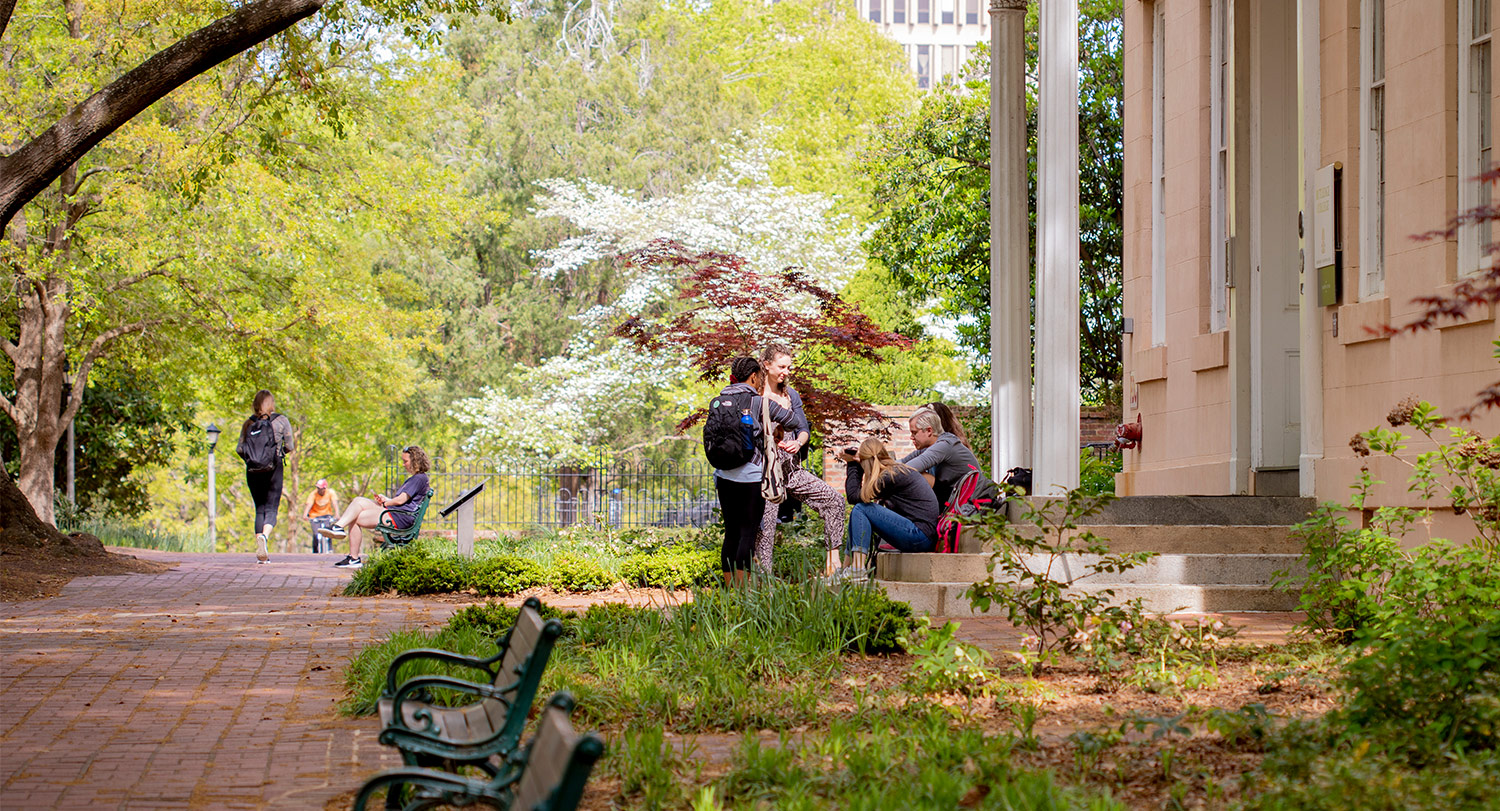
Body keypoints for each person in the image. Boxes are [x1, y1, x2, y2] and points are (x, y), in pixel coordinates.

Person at [753, 344, 846, 578]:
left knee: (834, 501)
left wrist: (798, 443)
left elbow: (803, 428)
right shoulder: (755, 394)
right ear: (766, 365)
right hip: (767, 476)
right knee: (765, 534)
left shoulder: (790, 394)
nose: (786, 371)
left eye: (789, 367)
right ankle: (764, 588)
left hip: (792, 471)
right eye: (782, 366)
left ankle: (832, 567)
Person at [708, 357, 796, 586]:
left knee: (731, 533)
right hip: (751, 476)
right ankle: (743, 593)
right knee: (748, 533)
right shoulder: (759, 402)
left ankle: (729, 593)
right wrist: (776, 427)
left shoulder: (718, 401)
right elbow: (793, 420)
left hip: (724, 475)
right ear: (754, 376)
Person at [836, 437, 940, 581]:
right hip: (919, 534)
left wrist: (853, 465)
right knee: (858, 511)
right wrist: (857, 462)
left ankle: (857, 569)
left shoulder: (890, 477)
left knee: (861, 509)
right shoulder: (893, 471)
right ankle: (846, 569)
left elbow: (853, 496)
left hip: (920, 536)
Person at [323, 445, 431, 569]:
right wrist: (386, 499)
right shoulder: (417, 478)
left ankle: (353, 557)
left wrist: (386, 503)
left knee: (355, 517)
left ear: (415, 461)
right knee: (358, 501)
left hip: (399, 517)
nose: (403, 464)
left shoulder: (418, 479)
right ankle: (338, 527)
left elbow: (401, 500)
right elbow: (403, 501)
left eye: (405, 461)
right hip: (396, 512)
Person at [237, 389, 293, 564]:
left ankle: (261, 549)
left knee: (259, 507)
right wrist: (278, 453)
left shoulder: (248, 424)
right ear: (271, 404)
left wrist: (252, 460)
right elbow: (290, 445)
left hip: (252, 470)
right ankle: (265, 537)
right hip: (273, 468)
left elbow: (240, 448)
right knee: (271, 507)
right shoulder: (281, 421)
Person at [901, 404, 987, 508]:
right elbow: (901, 463)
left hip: (968, 504)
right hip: (953, 497)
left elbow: (908, 469)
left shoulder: (944, 445)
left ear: (929, 431)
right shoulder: (931, 446)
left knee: (919, 476)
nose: (911, 437)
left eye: (914, 433)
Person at [302, 478, 340, 553]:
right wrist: (305, 514)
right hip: (315, 516)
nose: (318, 490)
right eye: (317, 488)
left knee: (328, 533)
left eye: (320, 488)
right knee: (316, 535)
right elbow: (309, 505)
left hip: (326, 515)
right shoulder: (313, 494)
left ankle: (330, 549)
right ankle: (315, 552)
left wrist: (337, 514)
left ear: (324, 488)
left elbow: (334, 503)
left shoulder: (330, 493)